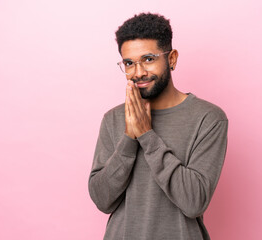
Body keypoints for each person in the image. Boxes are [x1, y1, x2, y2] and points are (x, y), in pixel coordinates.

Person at [88, 12, 228, 240]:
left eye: (149, 59)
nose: (138, 72)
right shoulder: (113, 119)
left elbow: (194, 202)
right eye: (129, 63)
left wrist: (146, 134)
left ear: (171, 59)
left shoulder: (208, 118)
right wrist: (128, 139)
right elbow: (102, 200)